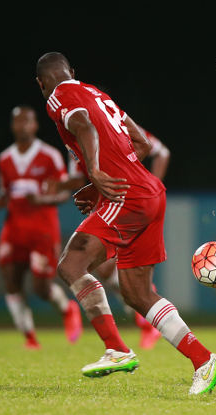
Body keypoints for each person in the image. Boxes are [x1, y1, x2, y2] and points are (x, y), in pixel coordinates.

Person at [35, 52, 216, 394]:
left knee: (71, 264)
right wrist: (101, 183)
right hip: (150, 192)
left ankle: (117, 349)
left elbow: (83, 124)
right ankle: (204, 359)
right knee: (138, 294)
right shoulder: (99, 94)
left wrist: (95, 173)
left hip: (129, 197)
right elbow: (141, 143)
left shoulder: (59, 96)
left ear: (41, 83)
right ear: (74, 72)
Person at [53, 128, 171, 349]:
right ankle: (142, 326)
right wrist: (72, 187)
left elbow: (159, 151)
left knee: (99, 269)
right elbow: (81, 177)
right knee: (112, 274)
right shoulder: (77, 138)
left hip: (131, 201)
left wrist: (149, 184)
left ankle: (124, 340)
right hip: (108, 203)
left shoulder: (118, 128)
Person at [0, 106, 83, 349]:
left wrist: (41, 200)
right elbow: (5, 196)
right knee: (11, 281)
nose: (22, 126)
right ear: (13, 126)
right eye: (18, 122)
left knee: (41, 287)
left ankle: (67, 308)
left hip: (42, 229)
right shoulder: (5, 159)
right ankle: (29, 337)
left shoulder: (49, 156)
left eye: (26, 121)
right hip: (14, 228)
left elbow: (62, 194)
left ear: (35, 125)